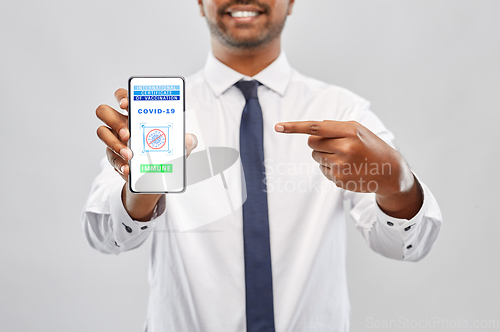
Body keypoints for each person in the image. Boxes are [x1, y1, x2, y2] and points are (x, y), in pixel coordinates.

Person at [82, 0, 443, 331]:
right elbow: (105, 235)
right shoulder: (162, 116)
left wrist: (396, 183)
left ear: (291, 3)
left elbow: (404, 245)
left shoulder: (343, 112)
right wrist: (145, 186)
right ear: (199, 2)